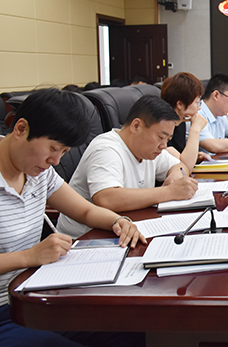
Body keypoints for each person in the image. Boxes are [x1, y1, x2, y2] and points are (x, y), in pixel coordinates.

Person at [0, 89, 145, 346]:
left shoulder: (38, 172)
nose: (55, 161)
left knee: (132, 326)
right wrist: (29, 256)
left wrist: (119, 221)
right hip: (8, 308)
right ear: (21, 129)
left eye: (64, 152)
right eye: (53, 148)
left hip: (34, 296)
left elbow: (85, 210)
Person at [57, 96, 198, 238]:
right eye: (161, 137)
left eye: (168, 139)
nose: (164, 146)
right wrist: (169, 192)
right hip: (86, 238)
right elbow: (106, 199)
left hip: (127, 229)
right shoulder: (106, 149)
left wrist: (175, 178)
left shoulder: (149, 150)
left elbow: (180, 166)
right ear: (136, 126)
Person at [160, 72, 210, 171]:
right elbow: (185, 167)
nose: (199, 108)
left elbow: (180, 157)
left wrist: (194, 157)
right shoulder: (162, 126)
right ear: (180, 104)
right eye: (197, 102)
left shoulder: (180, 123)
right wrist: (195, 128)